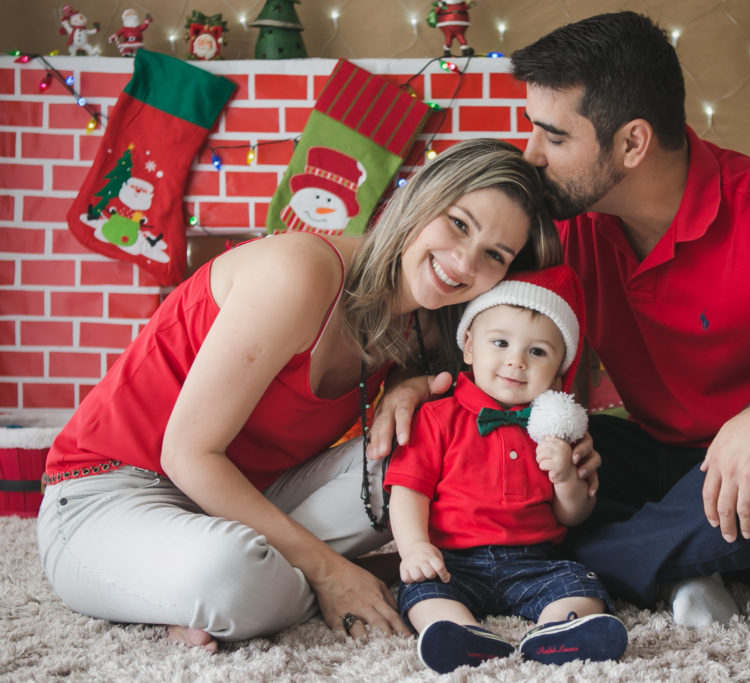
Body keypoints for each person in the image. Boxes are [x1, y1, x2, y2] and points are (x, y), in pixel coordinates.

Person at [372, 11, 750, 629]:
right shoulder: (566, 222)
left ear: (632, 143)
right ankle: (658, 567)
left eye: (554, 137)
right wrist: (415, 380)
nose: (531, 155)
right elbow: (479, 320)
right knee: (543, 438)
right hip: (652, 464)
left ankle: (560, 566)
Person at [36, 138, 562, 653]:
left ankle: (224, 597)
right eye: (458, 223)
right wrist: (331, 573)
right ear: (419, 197)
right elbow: (186, 456)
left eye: (494, 254)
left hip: (249, 500)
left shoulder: (425, 327)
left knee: (414, 456)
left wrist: (413, 387)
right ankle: (251, 590)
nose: (465, 263)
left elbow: (475, 428)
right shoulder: (300, 272)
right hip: (107, 494)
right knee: (229, 575)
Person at [385, 265, 627, 674]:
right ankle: (458, 634)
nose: (516, 362)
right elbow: (410, 490)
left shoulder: (554, 428)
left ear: (558, 370)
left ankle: (559, 632)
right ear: (469, 347)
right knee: (422, 591)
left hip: (534, 560)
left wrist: (566, 477)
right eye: (500, 343)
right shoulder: (437, 417)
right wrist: (413, 548)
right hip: (454, 560)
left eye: (537, 352)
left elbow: (573, 515)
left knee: (580, 585)